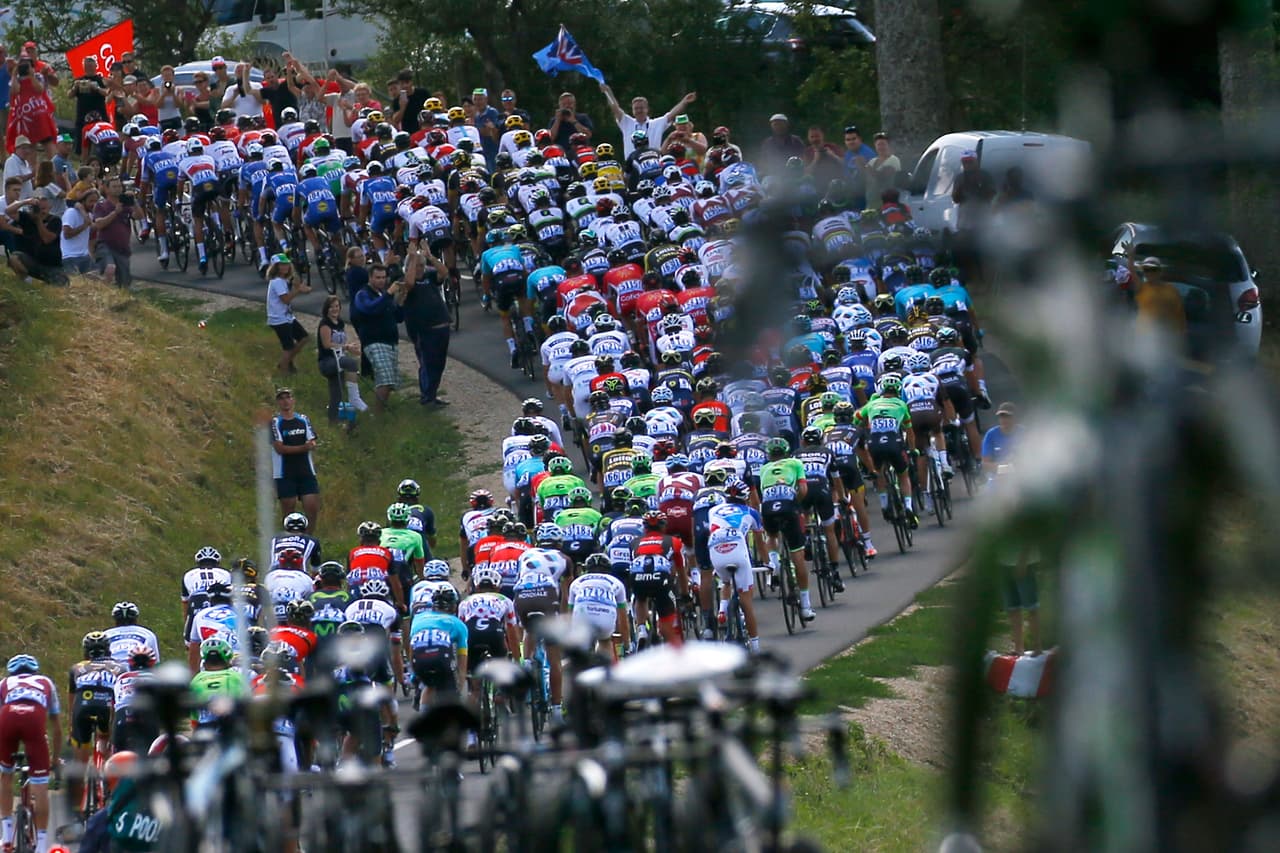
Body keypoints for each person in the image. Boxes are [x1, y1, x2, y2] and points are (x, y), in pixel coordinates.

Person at [0, 655, 61, 853]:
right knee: (41, 786)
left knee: (5, 775)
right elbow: (56, 726)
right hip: (34, 720)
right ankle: (42, 845)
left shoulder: (4, 683)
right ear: (34, 671)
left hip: (8, 716)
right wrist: (54, 759)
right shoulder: (46, 682)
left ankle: (6, 837)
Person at [400, 245, 453, 407]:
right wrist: (413, 258)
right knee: (428, 363)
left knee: (439, 364)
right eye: (417, 266)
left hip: (441, 327)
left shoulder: (429, 276)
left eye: (422, 266)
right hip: (423, 330)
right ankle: (426, 397)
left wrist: (430, 257)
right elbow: (409, 284)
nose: (420, 269)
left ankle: (432, 394)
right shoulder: (403, 279)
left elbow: (444, 273)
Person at [353, 263, 406, 412]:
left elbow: (398, 317)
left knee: (390, 382)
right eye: (378, 277)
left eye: (383, 277)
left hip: (390, 341)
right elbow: (370, 309)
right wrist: (389, 294)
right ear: (370, 278)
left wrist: (400, 301)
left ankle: (379, 411)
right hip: (374, 341)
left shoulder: (383, 295)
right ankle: (377, 414)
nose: (381, 281)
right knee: (385, 378)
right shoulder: (363, 294)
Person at [598, 84, 695, 158]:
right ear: (632, 110)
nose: (639, 110)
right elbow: (615, 108)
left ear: (647, 109)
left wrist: (684, 101)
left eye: (641, 108)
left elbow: (672, 114)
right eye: (636, 108)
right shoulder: (627, 123)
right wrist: (608, 92)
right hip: (633, 166)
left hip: (654, 165)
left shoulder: (656, 124)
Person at [270, 387, 321, 525]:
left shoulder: (303, 419)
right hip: (285, 472)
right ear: (278, 402)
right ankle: (288, 538)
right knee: (288, 510)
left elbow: (312, 440)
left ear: (293, 400)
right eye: (281, 398)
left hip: (306, 470)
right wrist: (303, 448)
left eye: (288, 398)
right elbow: (279, 448)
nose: (285, 401)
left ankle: (309, 538)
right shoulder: (275, 422)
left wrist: (310, 446)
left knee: (312, 507)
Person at [318, 295, 368, 421]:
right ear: (326, 309)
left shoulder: (340, 323)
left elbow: (341, 343)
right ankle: (354, 398)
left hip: (338, 358)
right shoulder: (325, 324)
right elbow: (327, 344)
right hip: (327, 361)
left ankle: (333, 420)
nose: (335, 309)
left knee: (337, 394)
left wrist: (351, 348)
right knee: (351, 363)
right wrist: (347, 347)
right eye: (331, 307)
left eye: (337, 306)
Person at [92, 176, 143, 288]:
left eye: (120, 186)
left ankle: (119, 297)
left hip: (122, 249)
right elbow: (99, 224)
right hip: (105, 245)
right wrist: (115, 213)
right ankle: (104, 291)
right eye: (114, 186)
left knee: (124, 283)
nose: (118, 189)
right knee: (109, 268)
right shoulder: (101, 205)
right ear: (107, 189)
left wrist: (134, 202)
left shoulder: (126, 204)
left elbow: (139, 216)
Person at [8, 185, 65, 285]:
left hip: (52, 266)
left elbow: (46, 239)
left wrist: (38, 221)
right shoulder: (29, 218)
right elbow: (9, 211)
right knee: (14, 258)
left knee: (62, 286)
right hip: (34, 262)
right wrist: (26, 202)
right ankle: (26, 280)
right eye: (39, 209)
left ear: (49, 208)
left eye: (44, 209)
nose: (41, 212)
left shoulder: (55, 220)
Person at [266, 253, 312, 374]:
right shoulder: (276, 282)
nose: (285, 267)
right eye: (282, 265)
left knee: (304, 338)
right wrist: (298, 290)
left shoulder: (282, 281)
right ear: (276, 267)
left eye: (287, 264)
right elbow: (285, 299)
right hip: (279, 319)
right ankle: (284, 370)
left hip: (287, 317)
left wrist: (300, 288)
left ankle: (286, 362)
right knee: (288, 347)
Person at [1130, 256, 1187, 343]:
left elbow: (1179, 316)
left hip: (1165, 337)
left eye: (1153, 269)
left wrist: (1179, 336)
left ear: (1160, 272)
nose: (1150, 273)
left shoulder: (1171, 290)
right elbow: (1132, 272)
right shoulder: (1142, 288)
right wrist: (1131, 255)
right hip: (1144, 337)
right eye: (1146, 269)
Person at [72, 56, 109, 152]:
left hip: (99, 114)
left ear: (95, 66)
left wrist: (96, 87)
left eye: (90, 66)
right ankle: (83, 161)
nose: (88, 68)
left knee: (102, 140)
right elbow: (69, 95)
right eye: (86, 66)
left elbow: (107, 92)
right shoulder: (79, 80)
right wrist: (75, 88)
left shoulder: (101, 79)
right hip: (82, 116)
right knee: (82, 142)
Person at [861, 132, 900, 209]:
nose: (881, 147)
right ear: (875, 146)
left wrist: (864, 165)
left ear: (888, 146)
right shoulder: (872, 161)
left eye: (883, 144)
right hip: (871, 202)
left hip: (887, 202)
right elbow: (866, 179)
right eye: (879, 144)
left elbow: (882, 177)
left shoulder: (893, 160)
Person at [981, 401, 1018, 473]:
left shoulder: (1023, 432)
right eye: (1001, 416)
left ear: (1014, 417)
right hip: (998, 478)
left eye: (1007, 416)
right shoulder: (991, 434)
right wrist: (1006, 468)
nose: (1004, 419)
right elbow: (985, 464)